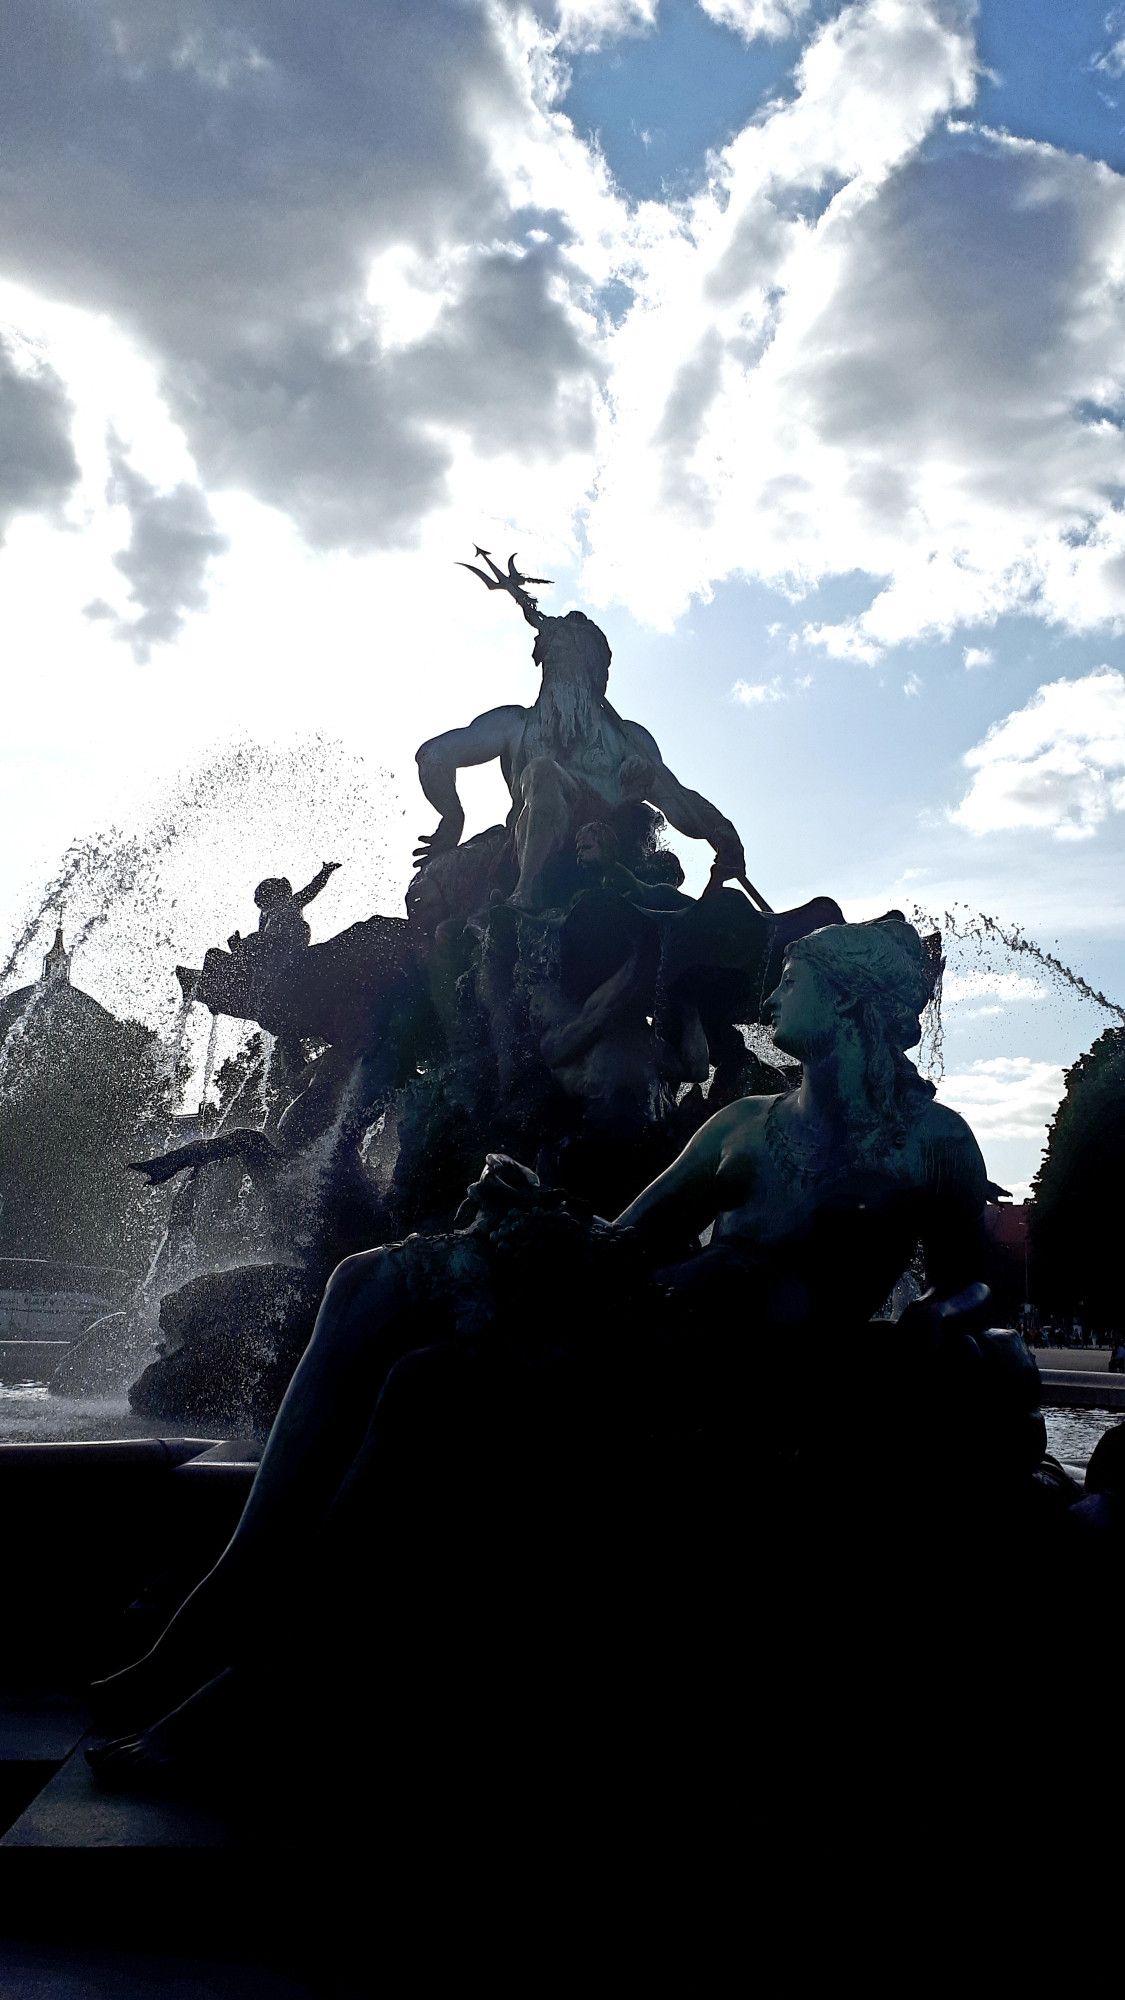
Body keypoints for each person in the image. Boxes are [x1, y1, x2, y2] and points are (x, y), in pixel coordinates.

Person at [414, 559, 746, 910]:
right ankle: (524, 893)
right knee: (541, 772)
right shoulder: (514, 725)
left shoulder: (629, 741)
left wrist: (723, 836)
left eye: (573, 654)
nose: (562, 665)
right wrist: (452, 817)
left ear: (597, 671)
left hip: (604, 862)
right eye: (555, 656)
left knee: (542, 770)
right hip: (519, 851)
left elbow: (677, 799)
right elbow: (434, 755)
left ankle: (526, 897)